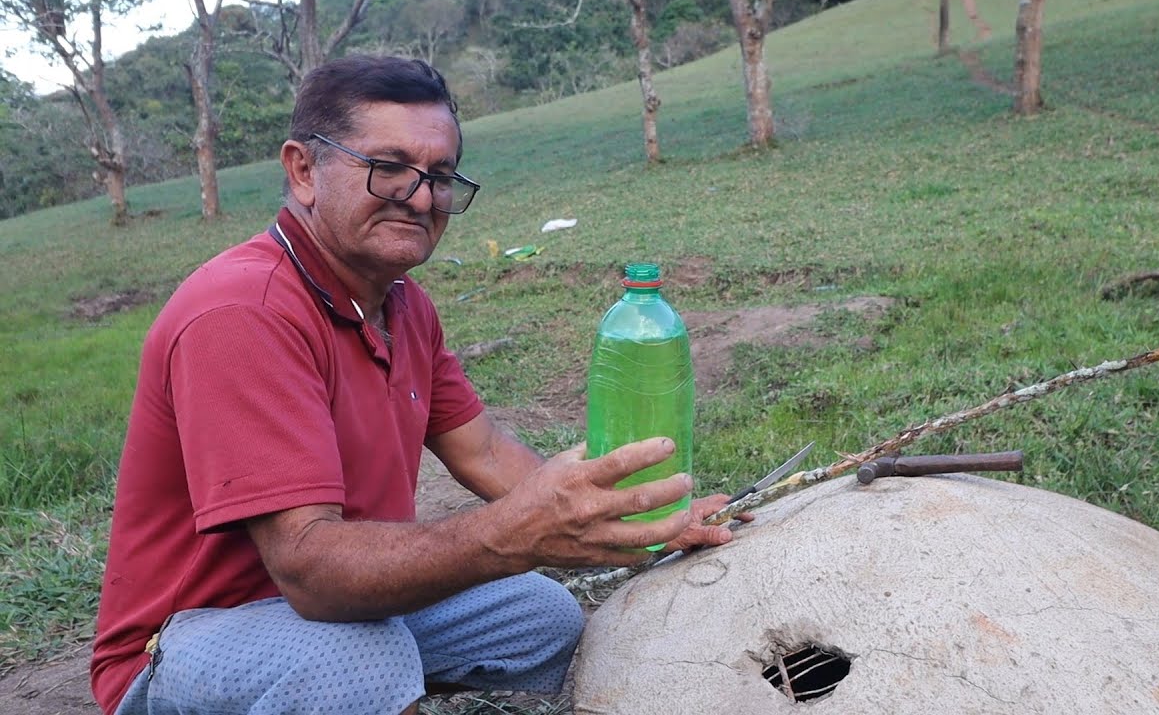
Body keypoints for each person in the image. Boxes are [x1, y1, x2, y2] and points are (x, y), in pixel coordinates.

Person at [90, 55, 745, 715]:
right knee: (355, 663)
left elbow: (483, 451)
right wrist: (511, 534)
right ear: (303, 170)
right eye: (389, 167)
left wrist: (633, 522)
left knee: (540, 615)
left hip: (336, 611)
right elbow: (311, 571)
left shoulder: (401, 303)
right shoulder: (243, 312)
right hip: (186, 638)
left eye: (438, 176)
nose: (423, 197)